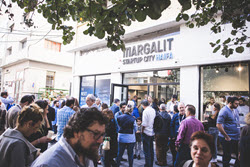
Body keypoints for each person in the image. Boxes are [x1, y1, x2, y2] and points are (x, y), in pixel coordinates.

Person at [31, 108, 107, 167]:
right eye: (96, 134)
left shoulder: (86, 153)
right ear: (77, 132)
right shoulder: (50, 164)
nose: (100, 140)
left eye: (102, 134)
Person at [217, 96, 240, 167]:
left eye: (238, 103)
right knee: (227, 156)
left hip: (236, 137)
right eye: (236, 104)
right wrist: (226, 136)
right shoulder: (224, 111)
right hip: (227, 137)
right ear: (230, 103)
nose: (237, 105)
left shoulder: (235, 110)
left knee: (239, 155)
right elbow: (218, 125)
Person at [116, 101, 137, 167]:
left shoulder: (119, 117)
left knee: (119, 153)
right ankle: (130, 165)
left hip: (121, 137)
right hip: (130, 138)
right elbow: (135, 128)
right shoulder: (133, 119)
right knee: (130, 154)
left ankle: (117, 165)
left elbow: (118, 125)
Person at [141, 99, 156, 167]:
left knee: (146, 150)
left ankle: (148, 164)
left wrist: (142, 130)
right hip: (152, 131)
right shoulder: (153, 110)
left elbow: (144, 124)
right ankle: (151, 164)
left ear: (143, 105)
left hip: (146, 132)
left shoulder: (145, 111)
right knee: (151, 149)